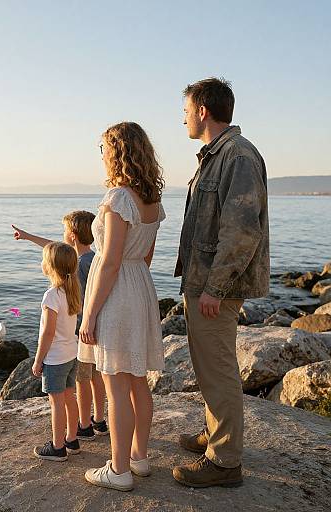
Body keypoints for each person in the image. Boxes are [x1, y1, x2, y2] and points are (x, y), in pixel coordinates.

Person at [173, 77, 270, 488]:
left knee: (219, 369)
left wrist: (215, 287)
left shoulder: (238, 156)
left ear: (202, 110)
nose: (182, 120)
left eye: (184, 111)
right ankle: (216, 434)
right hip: (203, 282)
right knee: (208, 365)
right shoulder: (217, 155)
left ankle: (225, 460)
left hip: (217, 286)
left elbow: (241, 230)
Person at [78, 121, 166, 491]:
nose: (101, 156)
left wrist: (92, 312)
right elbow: (144, 257)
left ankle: (119, 470)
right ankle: (139, 459)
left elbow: (110, 260)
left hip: (115, 290)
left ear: (116, 151)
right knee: (138, 381)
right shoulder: (151, 200)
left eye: (103, 149)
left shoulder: (117, 198)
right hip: (140, 287)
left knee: (115, 386)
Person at [12, 212, 109, 439]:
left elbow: (56, 253)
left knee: (82, 380)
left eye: (64, 231)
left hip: (82, 331)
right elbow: (55, 250)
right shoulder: (91, 258)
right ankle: (99, 419)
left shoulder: (79, 265)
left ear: (72, 236)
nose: (62, 236)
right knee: (95, 377)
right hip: (94, 327)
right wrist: (28, 237)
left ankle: (84, 425)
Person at [32, 242, 82, 461]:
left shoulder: (51, 295)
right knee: (70, 397)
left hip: (55, 359)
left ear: (50, 267)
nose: (41, 263)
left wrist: (37, 360)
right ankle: (72, 438)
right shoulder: (70, 290)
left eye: (44, 259)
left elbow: (48, 333)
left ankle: (57, 446)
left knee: (57, 403)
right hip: (72, 354)